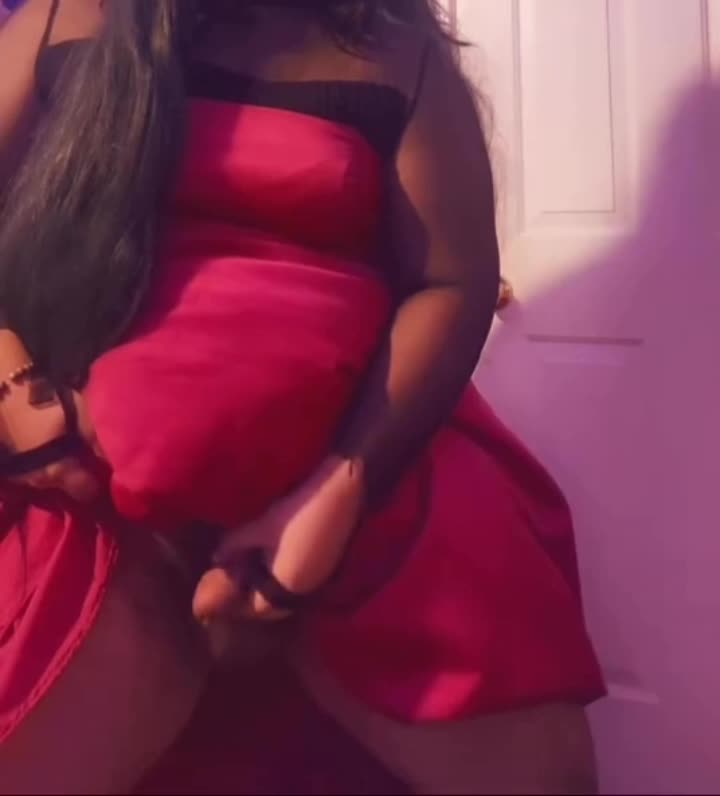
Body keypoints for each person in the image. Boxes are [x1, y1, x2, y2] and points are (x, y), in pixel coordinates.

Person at [0, 1, 606, 793]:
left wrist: (341, 491)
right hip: (82, 490)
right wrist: (14, 390)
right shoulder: (64, 16)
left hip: (364, 481)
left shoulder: (396, 54)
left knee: (548, 772)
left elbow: (452, 281)